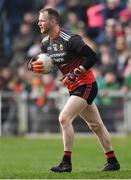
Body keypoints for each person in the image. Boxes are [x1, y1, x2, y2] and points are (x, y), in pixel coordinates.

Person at [27, 8, 120, 172]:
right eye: (39, 20)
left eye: (42, 20)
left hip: (87, 84)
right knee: (96, 125)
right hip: (74, 87)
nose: (38, 23)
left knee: (64, 118)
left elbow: (92, 57)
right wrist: (32, 65)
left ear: (53, 21)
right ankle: (112, 161)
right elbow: (46, 63)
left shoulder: (70, 38)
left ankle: (66, 162)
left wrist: (74, 73)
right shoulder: (45, 43)